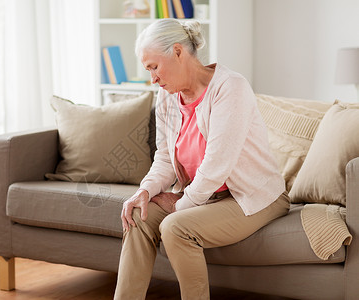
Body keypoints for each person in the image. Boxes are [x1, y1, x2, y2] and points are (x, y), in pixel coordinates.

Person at [114, 18, 290, 300]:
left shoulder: (230, 87)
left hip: (251, 197)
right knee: (137, 214)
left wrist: (181, 205)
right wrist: (144, 191)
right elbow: (164, 158)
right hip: (206, 197)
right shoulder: (167, 97)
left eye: (154, 67)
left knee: (176, 227)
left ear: (178, 52)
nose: (153, 79)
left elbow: (216, 165)